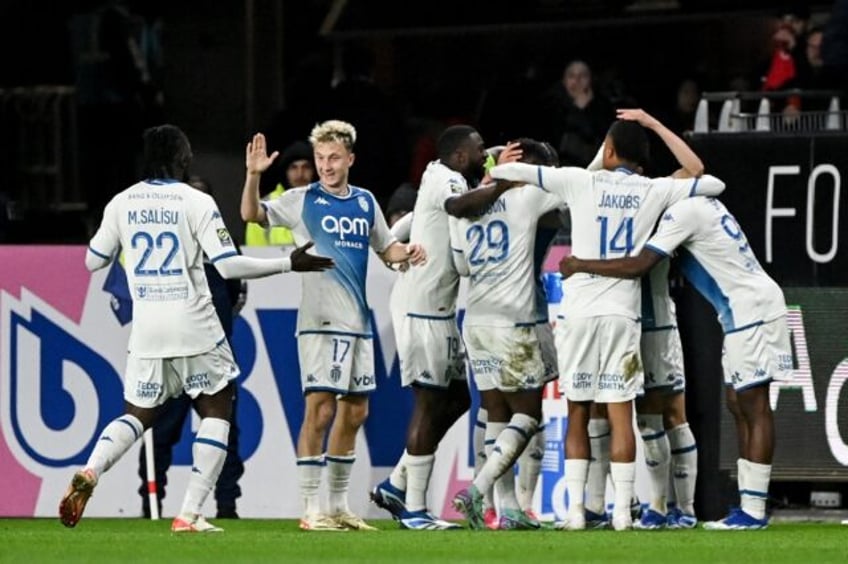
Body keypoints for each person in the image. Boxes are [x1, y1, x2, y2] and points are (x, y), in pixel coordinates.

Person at [58, 124, 334, 533]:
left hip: (147, 327)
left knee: (137, 415)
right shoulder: (196, 201)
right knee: (218, 404)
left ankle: (92, 470)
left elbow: (93, 261)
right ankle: (189, 513)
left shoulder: (122, 202)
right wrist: (286, 264)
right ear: (182, 160)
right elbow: (227, 265)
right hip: (193, 321)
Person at [487, 109, 726, 531]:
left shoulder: (581, 179)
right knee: (622, 412)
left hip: (579, 314)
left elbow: (523, 174)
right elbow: (708, 180)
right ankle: (620, 513)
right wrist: (653, 124)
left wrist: (496, 164)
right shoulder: (653, 190)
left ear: (608, 149)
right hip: (625, 312)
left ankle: (577, 512)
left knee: (579, 409)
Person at [559, 193, 792, 531]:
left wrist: (580, 264)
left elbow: (639, 264)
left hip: (752, 310)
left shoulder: (683, 213)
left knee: (754, 407)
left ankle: (752, 510)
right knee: (738, 405)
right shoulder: (704, 203)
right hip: (740, 311)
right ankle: (747, 505)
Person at [239, 120, 426, 532]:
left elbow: (385, 248)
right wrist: (254, 176)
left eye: (333, 158)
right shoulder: (302, 199)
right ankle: (310, 509)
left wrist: (406, 252)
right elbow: (251, 214)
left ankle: (338, 507)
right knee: (320, 411)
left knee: (356, 412)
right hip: (320, 322)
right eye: (320, 158)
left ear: (350, 159)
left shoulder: (364, 202)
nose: (325, 165)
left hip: (358, 323)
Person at [369, 125, 516, 530]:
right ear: (462, 155)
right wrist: (502, 184)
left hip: (438, 308)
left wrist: (390, 245)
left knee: (456, 400)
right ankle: (415, 509)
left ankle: (398, 483)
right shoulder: (446, 179)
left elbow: (416, 219)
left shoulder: (439, 177)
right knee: (430, 402)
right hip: (422, 309)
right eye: (480, 148)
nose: (485, 153)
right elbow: (456, 207)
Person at [450, 138, 563, 530]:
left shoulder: (473, 207)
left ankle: (509, 508)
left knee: (495, 411)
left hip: (476, 318)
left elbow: (462, 264)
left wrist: (492, 172)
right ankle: (476, 490)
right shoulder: (527, 198)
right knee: (528, 415)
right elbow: (578, 184)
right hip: (513, 321)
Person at [134, 175, 246, 520]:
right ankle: (150, 506)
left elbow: (235, 299)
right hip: (172, 358)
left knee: (224, 434)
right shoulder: (166, 252)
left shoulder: (225, 251)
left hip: (210, 359)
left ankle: (227, 508)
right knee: (159, 433)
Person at [631, 257, 699, 530]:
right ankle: (679, 509)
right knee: (668, 415)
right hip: (643, 320)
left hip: (652, 323)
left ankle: (661, 508)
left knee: (662, 415)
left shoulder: (651, 219)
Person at [244, 141, 314, 246]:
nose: (300, 174)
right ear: (285, 172)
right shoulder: (265, 205)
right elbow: (254, 251)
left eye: (306, 167)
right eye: (294, 168)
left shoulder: (326, 203)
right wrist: (253, 174)